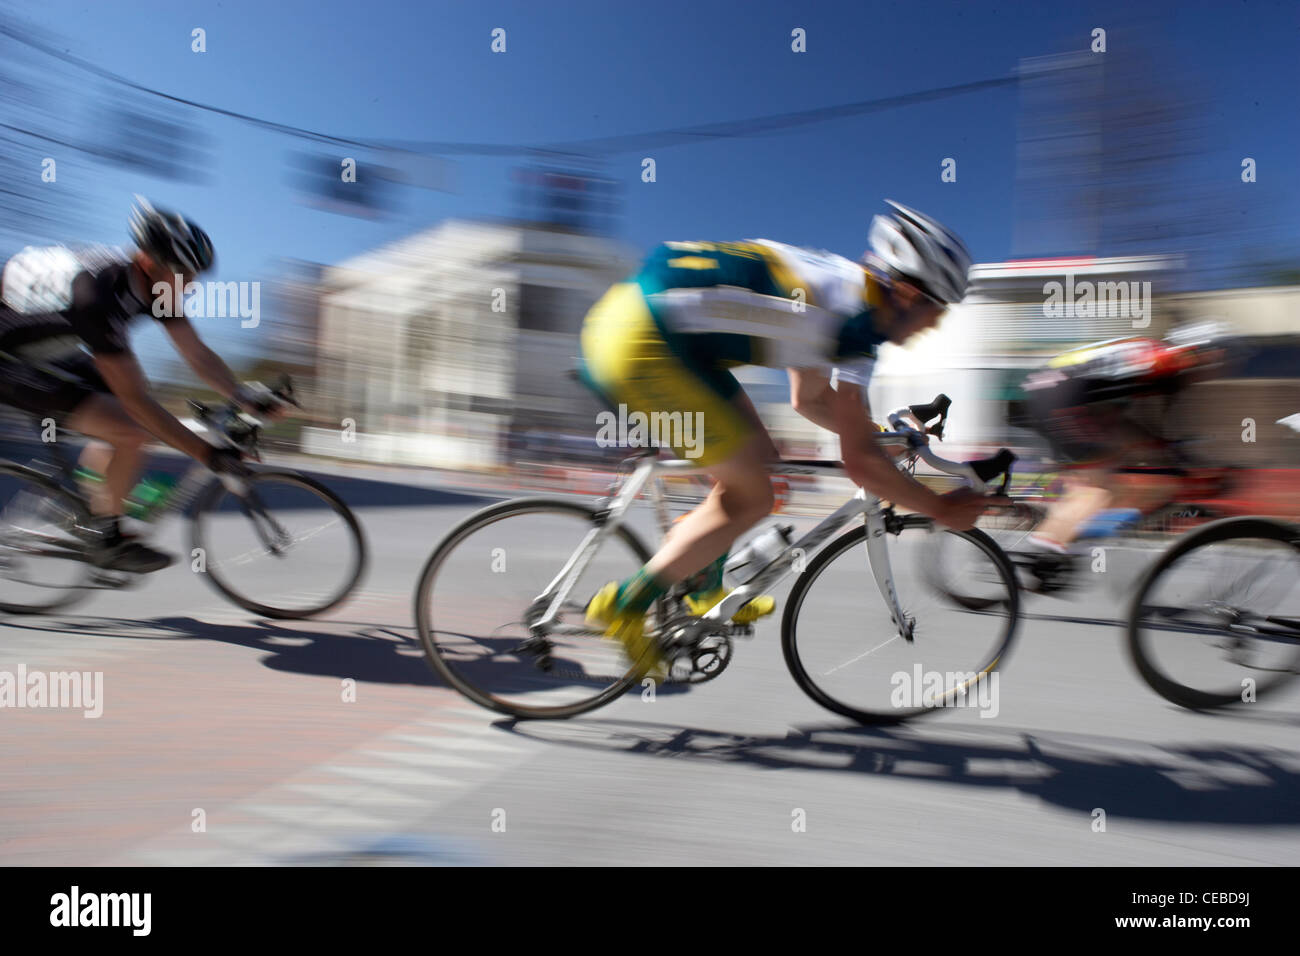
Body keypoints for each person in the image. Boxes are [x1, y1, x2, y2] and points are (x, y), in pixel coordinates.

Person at [578, 200, 986, 673]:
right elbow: (860, 463)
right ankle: (625, 605)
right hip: (643, 346)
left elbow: (809, 399)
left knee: (760, 462)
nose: (935, 325)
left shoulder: (845, 292)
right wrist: (941, 507)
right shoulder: (856, 321)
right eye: (939, 310)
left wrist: (879, 438)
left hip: (653, 333)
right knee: (750, 498)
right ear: (913, 295)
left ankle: (705, 587)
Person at [0, 197, 281, 573]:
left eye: (195, 276)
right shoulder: (99, 296)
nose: (192, 285)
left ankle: (84, 502)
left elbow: (196, 353)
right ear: (149, 262)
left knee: (131, 392)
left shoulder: (155, 288)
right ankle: (108, 538)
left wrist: (244, 396)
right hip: (11, 361)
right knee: (132, 429)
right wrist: (208, 455)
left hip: (46, 348)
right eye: (185, 274)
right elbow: (137, 404)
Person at [1016, 324, 1226, 590]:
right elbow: (1156, 424)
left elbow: (1143, 429)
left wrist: (1167, 454)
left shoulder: (1165, 359)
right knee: (1099, 489)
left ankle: (1067, 526)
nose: (1218, 368)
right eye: (1218, 358)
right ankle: (1044, 549)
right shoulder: (1170, 363)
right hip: (1060, 396)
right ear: (1201, 352)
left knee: (1117, 457)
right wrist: (1179, 461)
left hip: (1061, 392)